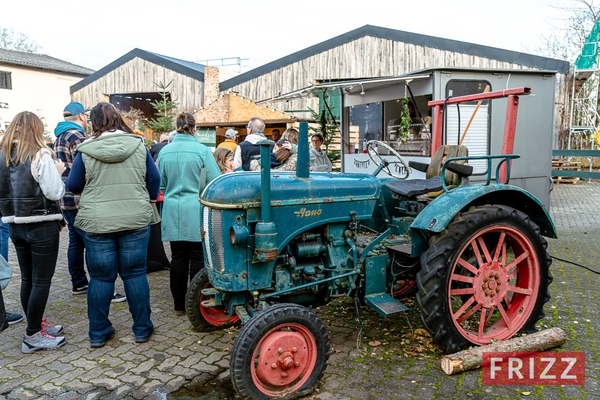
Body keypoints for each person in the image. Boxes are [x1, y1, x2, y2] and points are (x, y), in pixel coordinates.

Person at [66, 102, 159, 347]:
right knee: (135, 273)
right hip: (135, 219)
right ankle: (142, 329)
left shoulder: (85, 150)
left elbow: (73, 185)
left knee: (101, 278)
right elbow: (154, 178)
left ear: (94, 123)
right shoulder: (138, 144)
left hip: (97, 222)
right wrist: (148, 200)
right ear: (118, 119)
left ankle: (98, 333)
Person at [0, 111, 66, 353]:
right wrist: (58, 173)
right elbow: (54, 192)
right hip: (41, 224)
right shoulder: (40, 155)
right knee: (41, 281)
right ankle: (32, 335)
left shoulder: (2, 155)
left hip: (15, 225)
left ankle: (34, 324)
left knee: (28, 279)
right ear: (35, 130)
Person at [55, 102, 126, 302]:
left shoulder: (59, 136)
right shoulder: (78, 136)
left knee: (75, 243)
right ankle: (104, 288)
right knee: (94, 245)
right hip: (81, 199)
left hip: (66, 199)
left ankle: (79, 282)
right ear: (82, 117)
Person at [158, 112, 220, 316]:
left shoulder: (165, 152)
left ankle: (178, 305)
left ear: (176, 127)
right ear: (195, 129)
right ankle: (195, 302)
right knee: (197, 258)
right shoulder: (202, 151)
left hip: (173, 208)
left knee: (177, 257)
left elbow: (162, 184)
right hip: (196, 209)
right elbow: (214, 180)